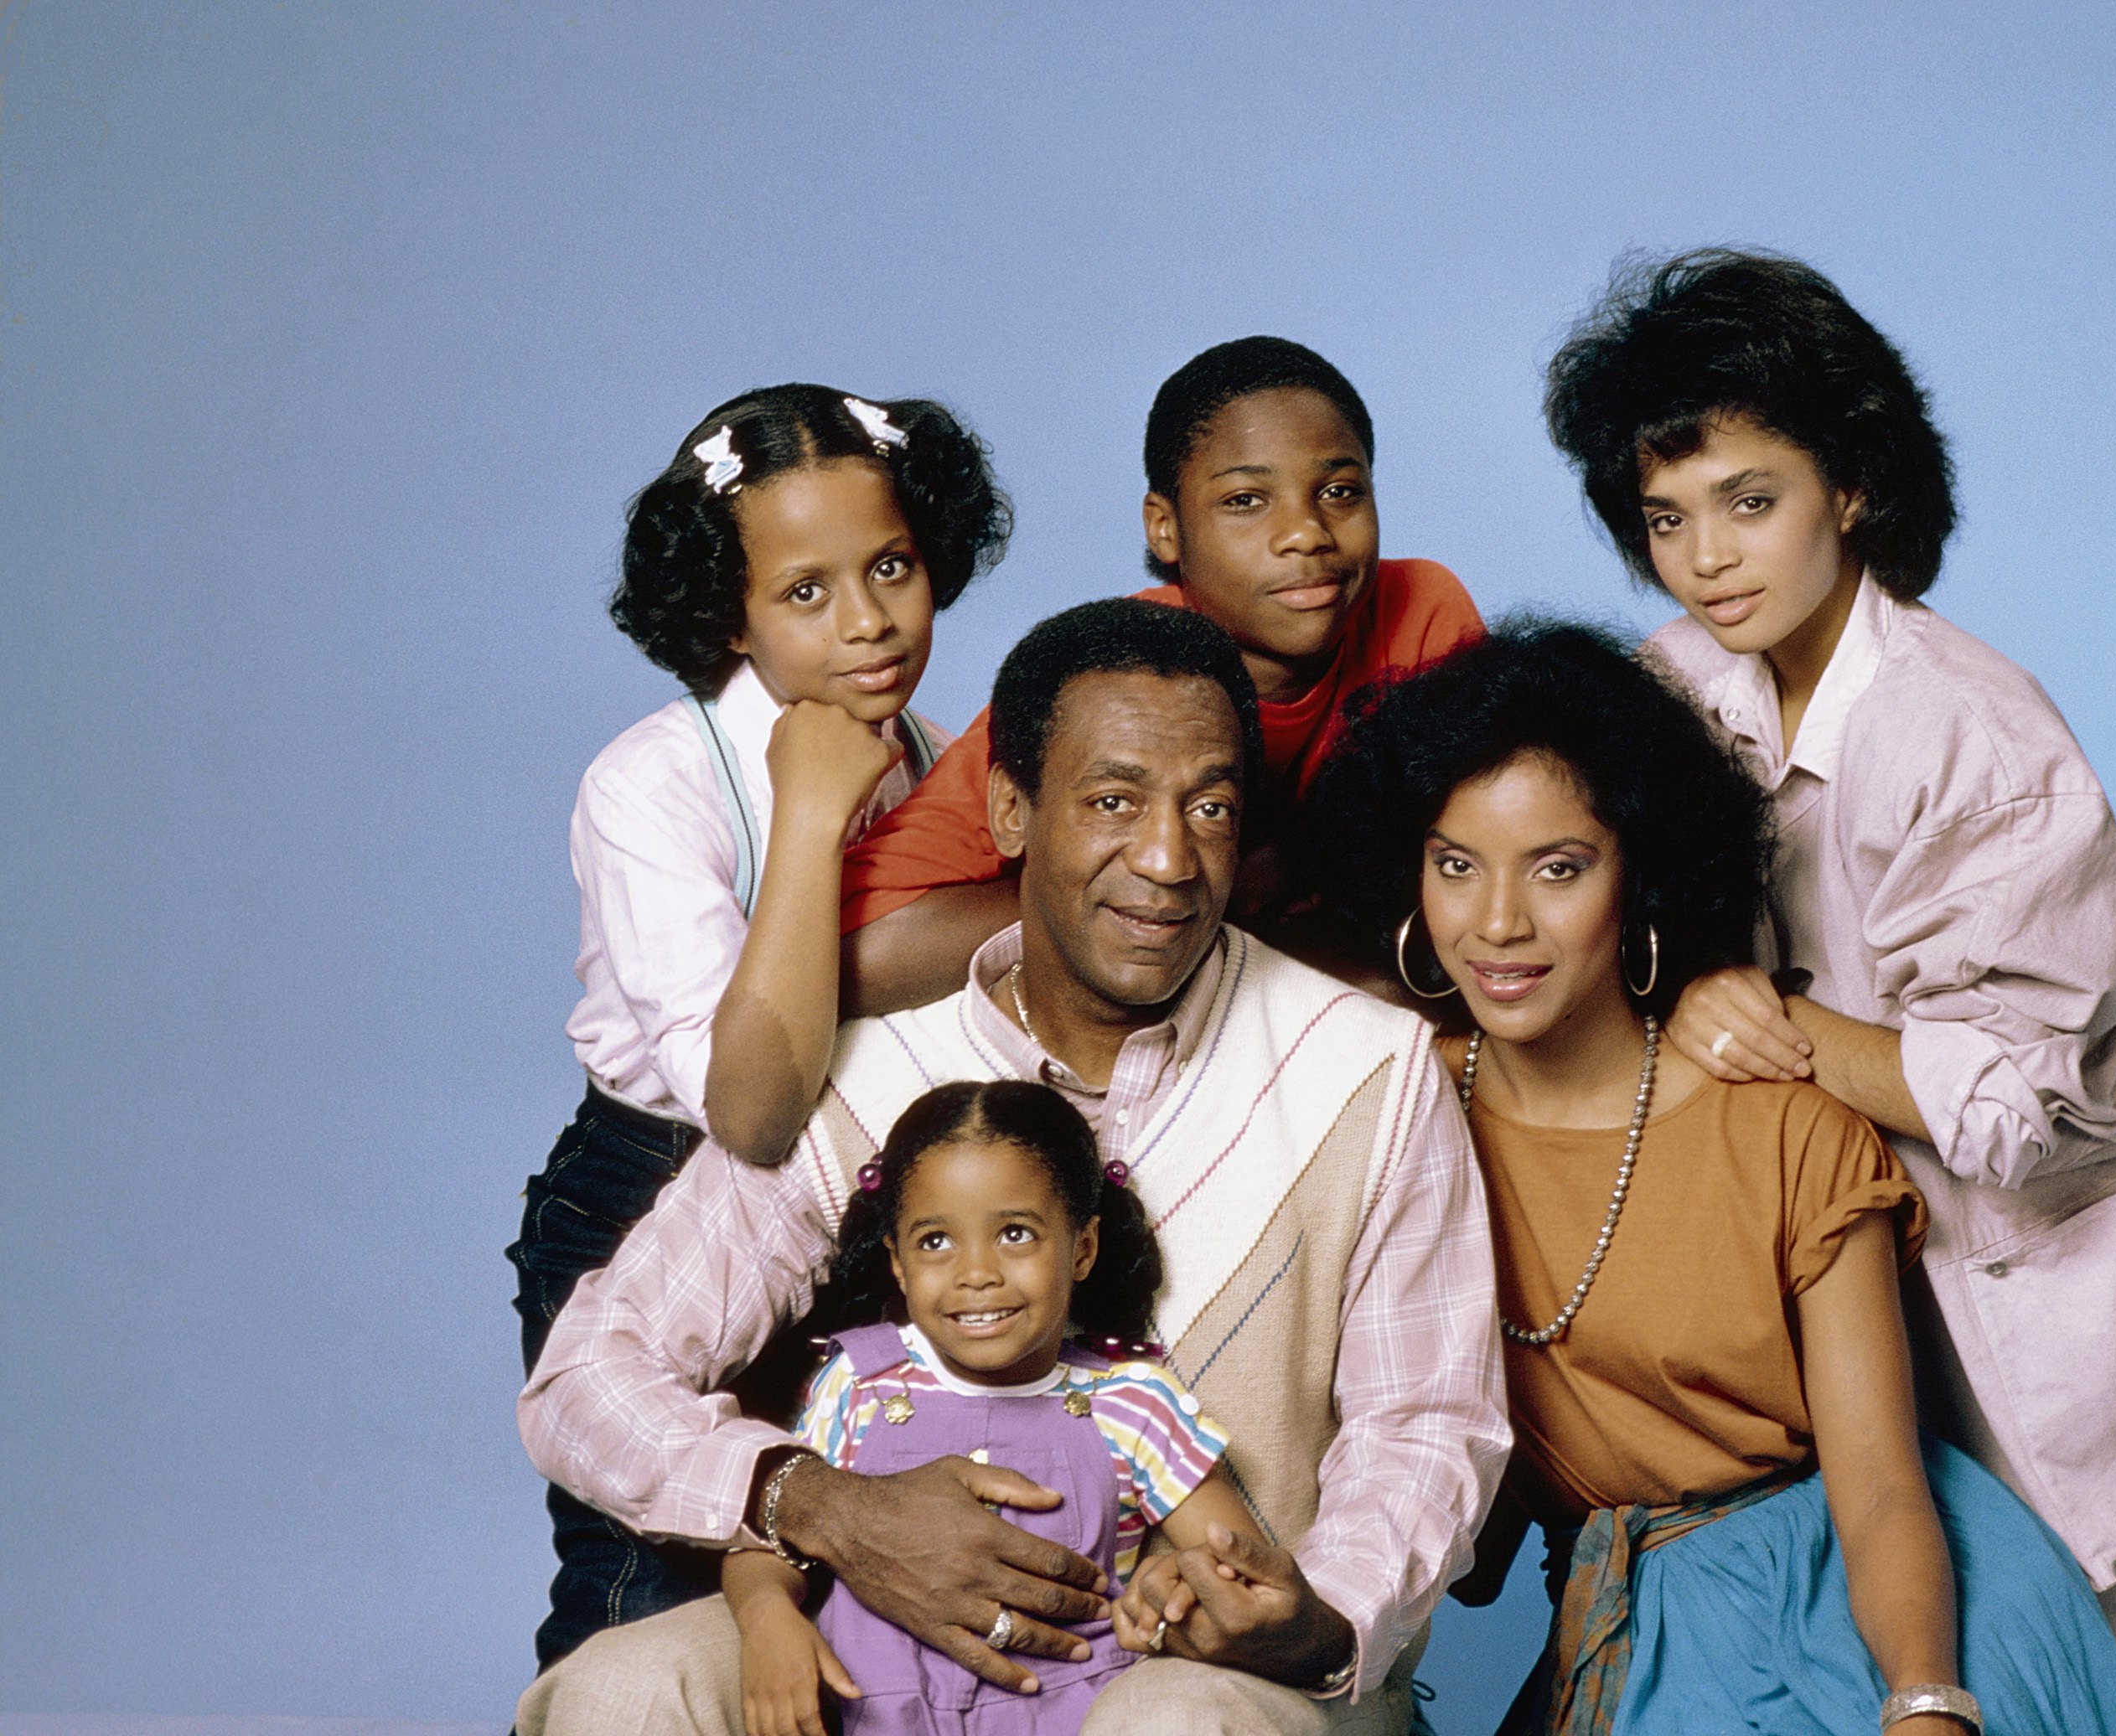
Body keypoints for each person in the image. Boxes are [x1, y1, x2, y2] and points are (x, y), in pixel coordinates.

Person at [1542, 249, 2116, 1736]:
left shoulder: (1967, 735)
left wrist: (1763, 1021)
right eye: (1668, 518)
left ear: (1851, 487)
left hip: (2085, 1322)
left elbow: (2008, 1104)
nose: (1707, 557)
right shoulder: (1682, 685)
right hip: (1881, 1334)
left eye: (1751, 499)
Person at [514, 598, 1509, 1736]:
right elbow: (588, 1378)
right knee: (625, 1691)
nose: (1168, 859)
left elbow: (1428, 1424)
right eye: (1113, 801)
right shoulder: (867, 1076)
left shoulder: (1366, 1073)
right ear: (1011, 809)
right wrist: (823, 1505)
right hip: (884, 1647)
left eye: (1213, 807)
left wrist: (1318, 1618)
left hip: (1212, 1672)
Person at [1302, 619, 2116, 1735]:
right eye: (1456, 865)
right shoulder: (1393, 1109)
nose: (1499, 923)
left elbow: (1882, 1485)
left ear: (1640, 877)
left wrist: (1924, 1700)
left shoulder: (1788, 1135)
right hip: (1631, 1606)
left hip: (1870, 1598)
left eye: (1558, 868)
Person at [507, 383, 1011, 1670]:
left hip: (835, 1203)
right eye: (806, 592)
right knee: (647, 1589)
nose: (868, 622)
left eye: (891, 566)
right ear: (725, 609)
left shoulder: (934, 752)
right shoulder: (650, 785)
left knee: (823, 1593)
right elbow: (750, 1107)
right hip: (652, 1187)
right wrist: (806, 805)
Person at [836, 337, 1483, 1015]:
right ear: (1166, 528)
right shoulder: (1107, 673)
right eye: (1245, 500)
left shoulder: (1421, 610)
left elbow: (1466, 917)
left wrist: (1274, 876)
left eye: (1340, 491)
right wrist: (1182, 899)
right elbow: (868, 952)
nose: (1306, 532)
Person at [723, 1077, 1255, 1736]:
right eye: (936, 1242)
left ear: (1082, 1248)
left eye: (1014, 1233)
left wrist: (1176, 1583)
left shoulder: (1135, 1404)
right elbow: (774, 1538)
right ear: (897, 1261)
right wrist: (767, 1615)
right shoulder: (858, 1385)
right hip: (868, 1717)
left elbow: (1242, 1574)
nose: (977, 1273)